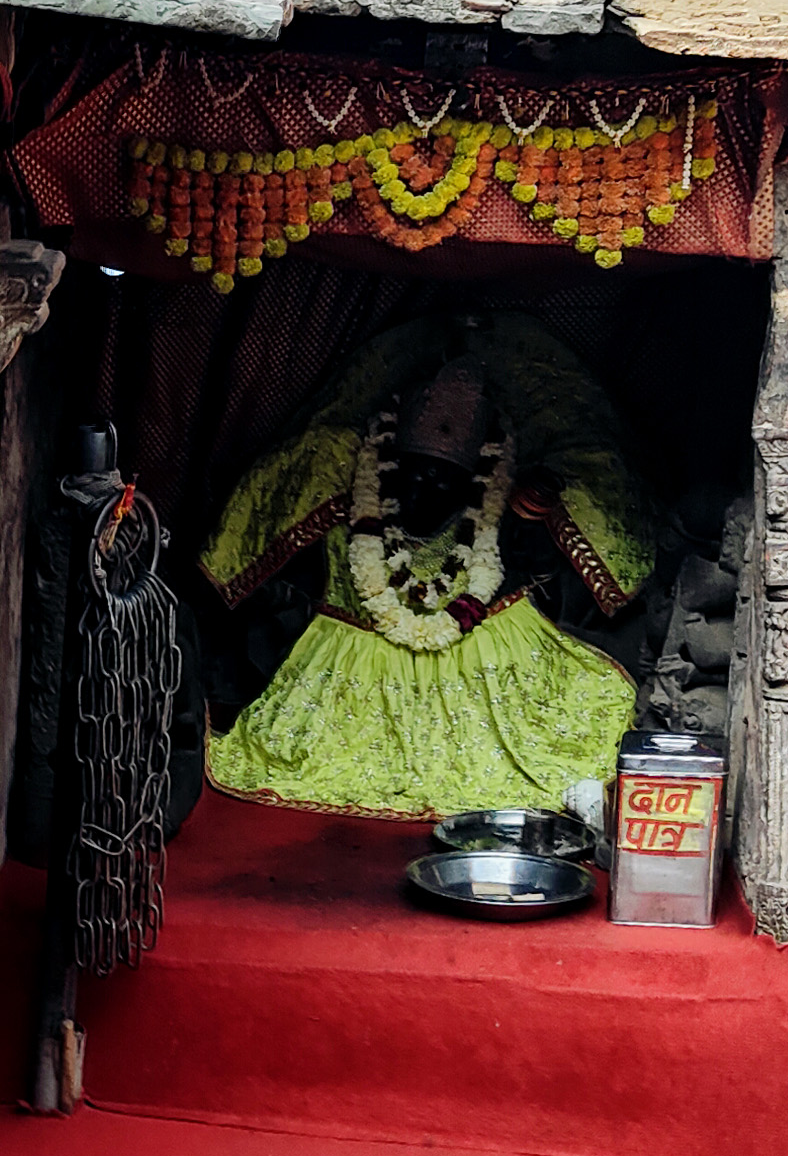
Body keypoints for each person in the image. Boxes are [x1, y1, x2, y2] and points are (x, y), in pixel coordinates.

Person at [199, 314, 649, 819]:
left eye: (442, 477)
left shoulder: (499, 516)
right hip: (353, 670)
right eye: (413, 473)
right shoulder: (352, 503)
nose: (423, 488)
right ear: (388, 465)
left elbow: (547, 557)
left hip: (488, 671)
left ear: (475, 481)